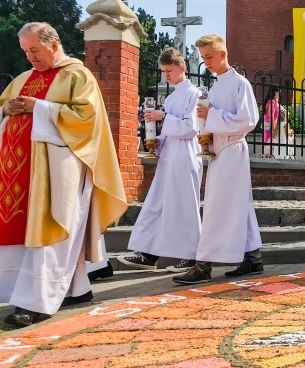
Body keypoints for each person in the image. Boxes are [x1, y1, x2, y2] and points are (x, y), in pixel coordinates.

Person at [0, 22, 126, 326]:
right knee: (26, 229)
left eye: (35, 50)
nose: (30, 57)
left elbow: (86, 119)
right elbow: (4, 105)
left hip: (58, 171)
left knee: (53, 229)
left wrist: (39, 107)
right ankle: (76, 288)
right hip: (19, 171)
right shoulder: (22, 79)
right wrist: (9, 110)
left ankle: (35, 301)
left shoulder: (77, 75)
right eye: (26, 51)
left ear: (53, 44)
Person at [173, 35, 262, 285]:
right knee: (237, 205)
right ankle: (253, 258)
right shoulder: (216, 86)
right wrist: (207, 134)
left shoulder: (239, 84)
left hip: (232, 149)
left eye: (209, 57)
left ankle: (203, 265)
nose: (206, 62)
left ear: (223, 54)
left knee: (216, 208)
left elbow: (248, 121)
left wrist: (212, 115)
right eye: (203, 58)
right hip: (219, 150)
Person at [120, 48, 203, 273]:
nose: (166, 75)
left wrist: (163, 117)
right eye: (163, 71)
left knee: (185, 206)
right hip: (169, 156)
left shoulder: (194, 94)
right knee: (157, 203)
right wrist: (158, 141)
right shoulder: (172, 96)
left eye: (169, 70)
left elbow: (191, 128)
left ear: (182, 68)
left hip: (186, 155)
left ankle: (193, 255)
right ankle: (148, 252)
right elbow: (170, 130)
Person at [263, 87, 280, 157]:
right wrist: (273, 129)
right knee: (270, 144)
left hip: (271, 125)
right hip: (271, 126)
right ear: (275, 92)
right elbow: (271, 116)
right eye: (278, 92)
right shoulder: (272, 102)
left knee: (271, 144)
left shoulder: (273, 102)